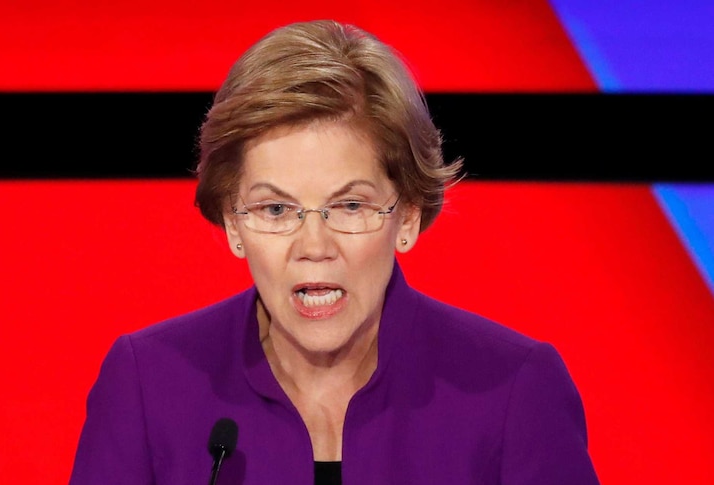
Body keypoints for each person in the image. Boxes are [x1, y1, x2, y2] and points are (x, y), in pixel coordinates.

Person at [68, 19, 600, 485]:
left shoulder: (513, 390)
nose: (314, 247)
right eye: (276, 211)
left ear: (408, 215)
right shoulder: (149, 385)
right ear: (233, 221)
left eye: (348, 205)